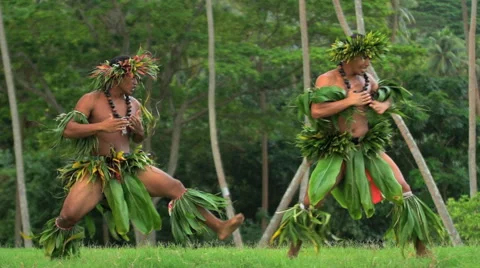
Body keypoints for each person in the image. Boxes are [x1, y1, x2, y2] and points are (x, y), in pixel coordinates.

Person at [39, 50, 244, 259]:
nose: (137, 82)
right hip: (97, 169)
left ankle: (219, 227)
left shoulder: (134, 103)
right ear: (118, 75)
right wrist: (101, 126)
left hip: (129, 165)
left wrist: (139, 131)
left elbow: (137, 140)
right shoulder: (91, 99)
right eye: (133, 77)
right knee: (69, 215)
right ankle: (57, 254)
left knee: (176, 187)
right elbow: (68, 130)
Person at [271, 32, 444, 258]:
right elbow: (316, 111)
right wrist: (349, 101)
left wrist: (384, 105)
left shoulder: (368, 80)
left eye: (369, 57)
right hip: (339, 149)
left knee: (404, 190)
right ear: (348, 56)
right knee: (313, 199)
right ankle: (292, 254)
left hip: (367, 147)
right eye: (363, 57)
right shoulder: (327, 80)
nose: (367, 62)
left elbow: (385, 98)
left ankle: (421, 250)